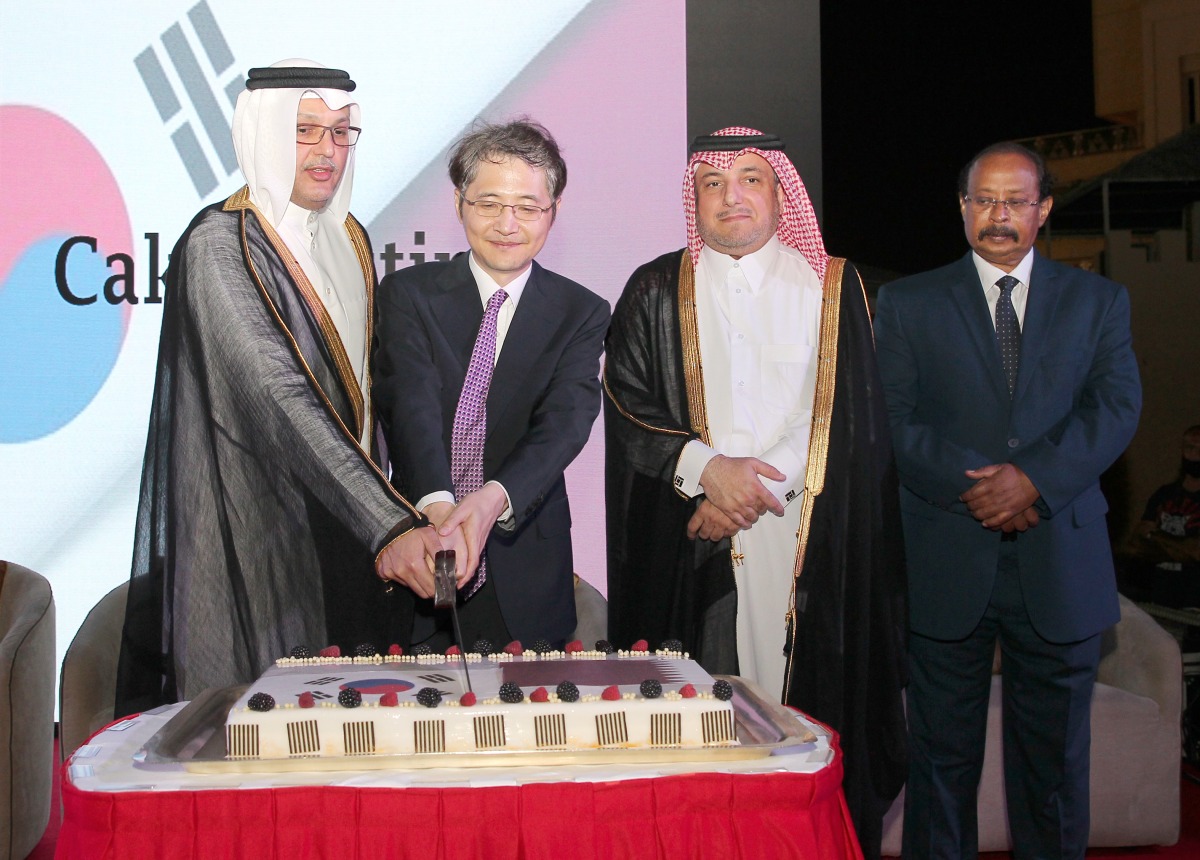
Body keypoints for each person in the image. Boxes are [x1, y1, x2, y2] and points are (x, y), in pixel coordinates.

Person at [604, 127, 907, 857]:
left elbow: (850, 413)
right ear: (695, 200)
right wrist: (706, 471)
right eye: (712, 183)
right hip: (694, 537)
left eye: (749, 178)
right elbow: (626, 396)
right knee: (698, 727)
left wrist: (746, 487)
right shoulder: (655, 286)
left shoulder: (842, 288)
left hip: (808, 532)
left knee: (806, 724)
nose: (730, 196)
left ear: (780, 193)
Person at [115, 60, 442, 716]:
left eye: (342, 132)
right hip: (255, 543)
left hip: (346, 539)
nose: (327, 151)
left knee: (351, 760)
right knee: (257, 756)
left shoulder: (350, 238)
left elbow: (362, 405)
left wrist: (416, 509)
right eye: (307, 131)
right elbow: (278, 395)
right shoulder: (216, 246)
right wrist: (390, 524)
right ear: (262, 133)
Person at [873, 141, 1142, 859]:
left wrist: (1035, 481)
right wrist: (987, 490)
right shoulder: (905, 302)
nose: (999, 215)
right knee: (940, 766)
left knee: (1053, 770)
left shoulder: (1099, 300)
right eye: (984, 200)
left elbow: (1115, 409)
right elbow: (890, 422)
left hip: (1061, 561)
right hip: (944, 563)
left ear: (1044, 209)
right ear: (963, 209)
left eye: (1016, 201)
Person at [373, 119, 608, 649]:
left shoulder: (581, 311)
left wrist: (490, 502)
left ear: (554, 211)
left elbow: (564, 425)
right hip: (419, 553)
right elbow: (409, 403)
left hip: (524, 564)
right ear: (459, 204)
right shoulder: (409, 294)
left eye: (528, 207)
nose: (508, 223)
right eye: (488, 203)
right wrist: (438, 508)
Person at [1124, 424, 1200, 608]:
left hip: (1192, 600)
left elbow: (1196, 552)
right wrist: (1181, 550)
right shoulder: (1164, 494)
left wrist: (1155, 537)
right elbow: (1136, 544)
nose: (1194, 455)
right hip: (1156, 593)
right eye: (1190, 448)